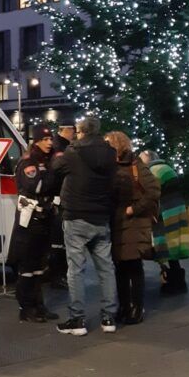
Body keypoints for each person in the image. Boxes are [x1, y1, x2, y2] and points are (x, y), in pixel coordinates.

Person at [47, 115, 118, 335]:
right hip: (101, 216)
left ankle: (77, 319)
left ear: (82, 131)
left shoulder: (73, 153)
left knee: (75, 270)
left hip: (76, 216)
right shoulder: (110, 153)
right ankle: (109, 317)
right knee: (106, 269)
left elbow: (55, 168)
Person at [106, 132, 160, 325]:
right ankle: (124, 306)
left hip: (134, 221)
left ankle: (136, 308)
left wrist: (135, 208)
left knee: (134, 265)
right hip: (117, 221)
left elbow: (153, 189)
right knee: (120, 266)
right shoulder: (110, 166)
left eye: (109, 144)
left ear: (118, 146)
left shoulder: (136, 165)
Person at [9, 125, 59, 323]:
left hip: (45, 218)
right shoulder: (29, 162)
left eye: (50, 139)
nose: (49, 143)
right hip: (30, 221)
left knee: (40, 266)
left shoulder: (46, 162)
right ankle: (26, 307)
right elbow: (36, 185)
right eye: (45, 140)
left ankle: (39, 305)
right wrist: (52, 178)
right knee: (27, 266)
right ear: (37, 141)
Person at [139, 150, 189, 295]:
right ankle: (178, 281)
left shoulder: (153, 171)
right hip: (176, 210)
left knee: (164, 247)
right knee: (173, 246)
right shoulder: (167, 168)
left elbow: (151, 193)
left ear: (148, 160)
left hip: (164, 213)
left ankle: (172, 282)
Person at [46, 125, 76, 289]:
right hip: (59, 199)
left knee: (60, 242)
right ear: (65, 130)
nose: (74, 134)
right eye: (72, 130)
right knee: (59, 242)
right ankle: (58, 275)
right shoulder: (61, 147)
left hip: (60, 198)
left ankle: (59, 274)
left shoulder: (62, 146)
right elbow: (59, 171)